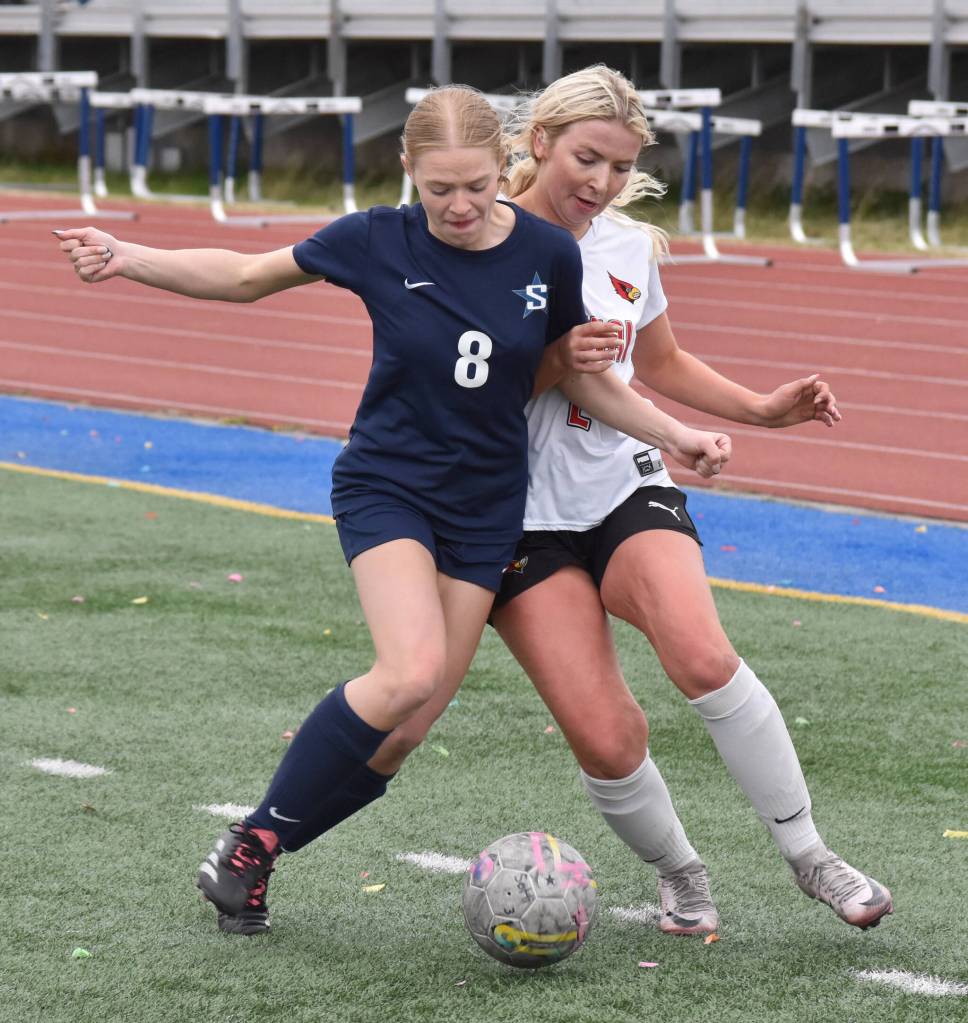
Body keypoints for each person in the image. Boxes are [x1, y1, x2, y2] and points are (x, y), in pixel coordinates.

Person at [56, 85, 730, 937]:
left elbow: (584, 374)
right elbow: (243, 276)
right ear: (407, 169)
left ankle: (251, 859)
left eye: (478, 186)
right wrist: (125, 254)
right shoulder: (374, 237)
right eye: (439, 186)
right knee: (406, 671)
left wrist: (676, 434)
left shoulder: (550, 253)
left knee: (405, 730)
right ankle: (253, 841)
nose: (459, 205)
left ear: (502, 170)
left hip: (488, 510)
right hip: (390, 486)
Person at [245, 68, 892, 940]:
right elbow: (461, 397)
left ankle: (813, 856)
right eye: (588, 159)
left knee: (701, 653)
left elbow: (657, 365)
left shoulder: (623, 245)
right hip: (510, 516)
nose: (602, 183)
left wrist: (755, 410)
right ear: (538, 142)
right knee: (607, 736)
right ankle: (682, 874)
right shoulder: (466, 234)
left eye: (620, 168)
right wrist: (558, 361)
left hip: (621, 485)